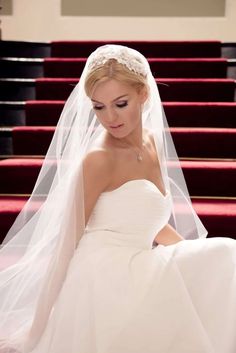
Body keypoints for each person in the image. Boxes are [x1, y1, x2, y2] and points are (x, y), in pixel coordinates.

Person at [0, 44, 236, 353]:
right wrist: (37, 328)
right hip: (105, 278)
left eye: (120, 103)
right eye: (99, 107)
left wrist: (194, 254)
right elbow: (64, 248)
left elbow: (145, 222)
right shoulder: (98, 159)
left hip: (139, 264)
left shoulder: (150, 142)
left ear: (143, 95)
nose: (109, 117)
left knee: (224, 256)